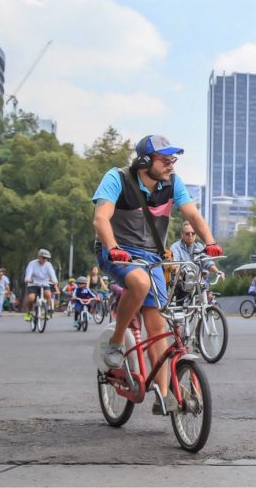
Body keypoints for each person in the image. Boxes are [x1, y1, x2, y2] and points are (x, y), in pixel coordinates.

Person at [92, 134, 223, 415]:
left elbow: (193, 215)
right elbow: (101, 218)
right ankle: (116, 342)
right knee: (138, 282)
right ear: (144, 161)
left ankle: (163, 395)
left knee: (158, 326)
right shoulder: (117, 178)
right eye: (165, 160)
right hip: (118, 252)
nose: (170, 165)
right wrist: (113, 247)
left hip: (152, 257)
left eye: (172, 160)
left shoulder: (172, 183)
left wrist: (210, 242)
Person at [23, 249, 60, 322]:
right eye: (43, 257)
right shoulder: (32, 263)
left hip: (44, 283)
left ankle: (46, 311)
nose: (45, 260)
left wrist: (55, 281)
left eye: (46, 258)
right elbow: (28, 273)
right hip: (33, 283)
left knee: (48, 294)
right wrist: (28, 279)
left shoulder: (48, 265)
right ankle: (29, 313)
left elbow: (52, 274)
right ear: (39, 257)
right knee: (31, 298)